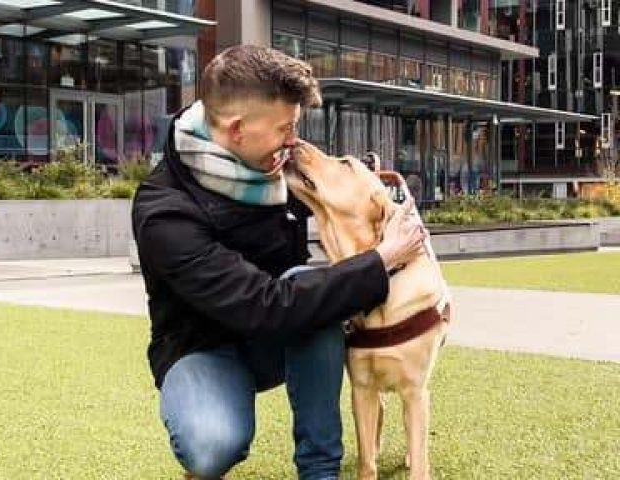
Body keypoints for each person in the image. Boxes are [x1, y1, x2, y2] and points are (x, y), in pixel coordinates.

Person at [131, 45, 425, 480]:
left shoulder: (270, 167)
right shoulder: (165, 212)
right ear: (235, 131)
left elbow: (330, 211)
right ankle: (211, 413)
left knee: (315, 291)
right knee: (211, 444)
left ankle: (319, 471)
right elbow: (264, 304)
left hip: (281, 335)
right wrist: (380, 261)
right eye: (285, 129)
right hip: (202, 347)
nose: (294, 141)